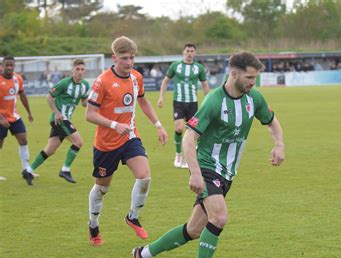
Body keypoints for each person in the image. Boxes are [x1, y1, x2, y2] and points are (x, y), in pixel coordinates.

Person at [132, 51, 285, 258]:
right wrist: (195, 173)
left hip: (227, 173)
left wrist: (279, 145)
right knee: (220, 217)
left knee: (193, 230)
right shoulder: (214, 101)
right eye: (249, 77)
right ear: (233, 73)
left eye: (255, 78)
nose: (252, 83)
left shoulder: (253, 98)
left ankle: (144, 254)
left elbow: (272, 122)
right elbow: (189, 139)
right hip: (206, 167)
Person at [85, 36, 168, 246]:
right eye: (124, 58)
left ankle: (132, 216)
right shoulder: (102, 81)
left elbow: (143, 102)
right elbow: (90, 114)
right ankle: (93, 224)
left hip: (129, 137)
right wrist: (114, 125)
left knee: (144, 176)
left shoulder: (136, 78)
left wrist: (158, 125)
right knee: (102, 189)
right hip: (106, 144)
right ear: (114, 58)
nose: (129, 62)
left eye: (132, 58)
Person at [30, 59, 90, 183]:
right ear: (72, 69)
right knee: (78, 142)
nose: (79, 72)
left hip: (64, 120)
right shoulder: (64, 83)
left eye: (82, 69)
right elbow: (49, 97)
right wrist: (57, 113)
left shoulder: (85, 85)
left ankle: (28, 170)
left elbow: (84, 103)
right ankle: (65, 170)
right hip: (60, 119)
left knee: (50, 149)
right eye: (77, 69)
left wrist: (94, 102)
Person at [157, 43, 210, 168]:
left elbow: (204, 84)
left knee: (191, 131)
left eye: (192, 51)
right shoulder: (176, 66)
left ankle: (187, 158)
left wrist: (208, 100)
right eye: (188, 51)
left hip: (193, 103)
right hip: (179, 102)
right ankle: (178, 155)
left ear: (195, 53)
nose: (190, 53)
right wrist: (161, 97)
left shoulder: (198, 68)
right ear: (183, 52)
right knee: (179, 128)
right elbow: (165, 81)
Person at [0, 56, 35, 185]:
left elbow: (22, 94)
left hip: (14, 117)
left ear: (14, 66)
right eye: (7, 65)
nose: (9, 68)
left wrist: (29, 112)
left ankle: (26, 169)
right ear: (2, 66)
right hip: (1, 118)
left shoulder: (17, 79)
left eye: (11, 65)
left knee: (23, 140)